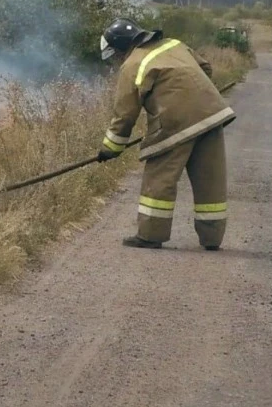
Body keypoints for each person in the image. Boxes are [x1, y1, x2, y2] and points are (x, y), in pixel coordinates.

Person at [96, 17, 236, 250]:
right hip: (211, 114)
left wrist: (109, 149)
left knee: (159, 177)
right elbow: (205, 68)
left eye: (116, 55)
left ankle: (151, 234)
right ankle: (212, 239)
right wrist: (193, 98)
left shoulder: (132, 65)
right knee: (210, 179)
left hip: (174, 123)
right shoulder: (174, 44)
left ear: (121, 47)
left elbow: (124, 115)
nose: (117, 60)